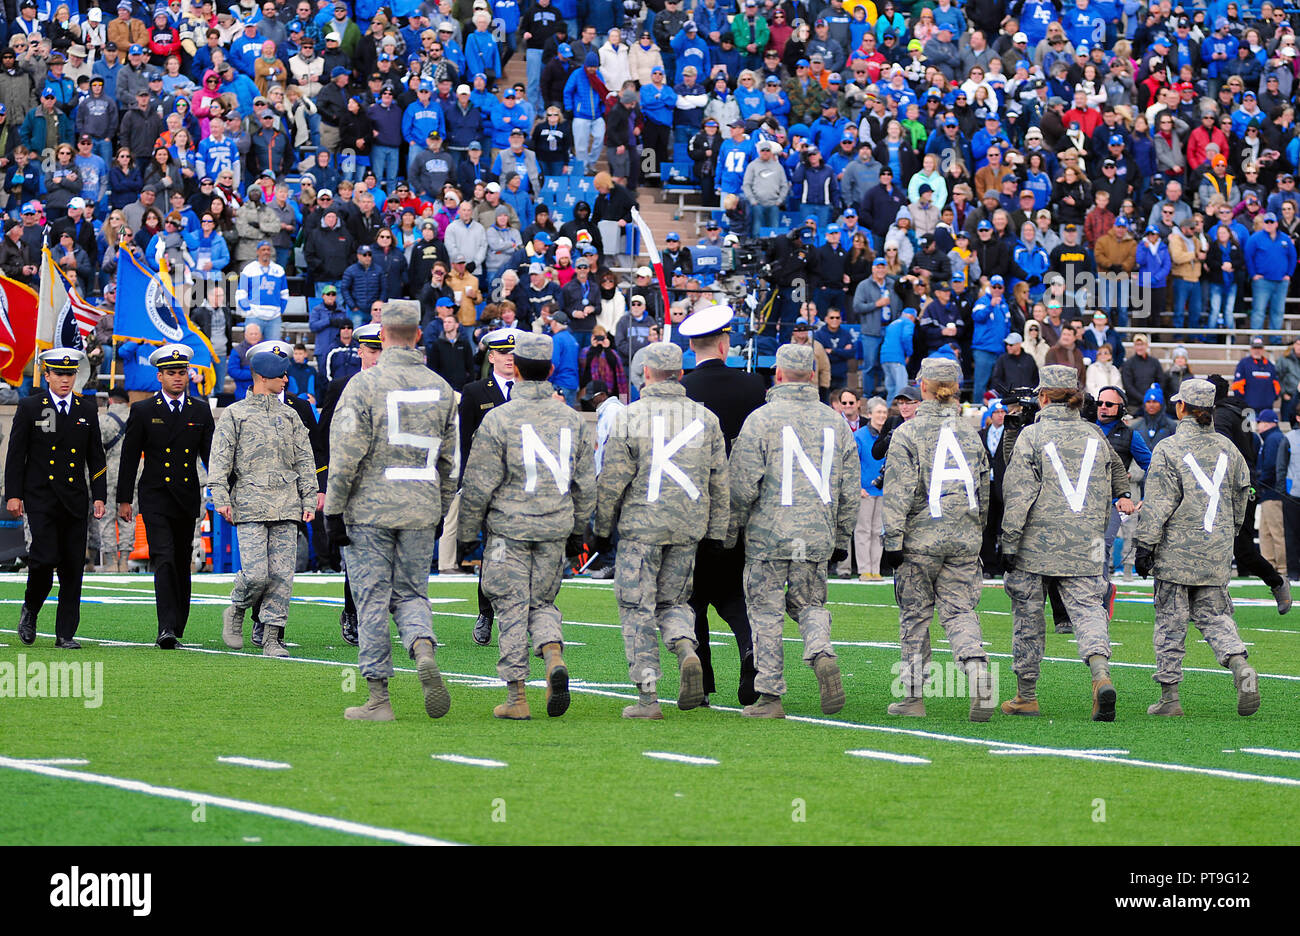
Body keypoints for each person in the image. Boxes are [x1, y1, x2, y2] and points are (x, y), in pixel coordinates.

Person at [325, 300, 457, 722]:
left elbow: (346, 454)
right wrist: (440, 507)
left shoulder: (363, 386)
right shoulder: (441, 387)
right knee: (412, 593)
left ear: (381, 336)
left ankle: (379, 698)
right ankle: (421, 647)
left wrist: (334, 508)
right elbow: (451, 461)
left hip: (370, 508)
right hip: (420, 505)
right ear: (418, 335)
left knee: (371, 600)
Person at [458, 332, 596, 720]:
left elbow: (479, 482)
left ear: (515, 368)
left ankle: (517, 696)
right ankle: (553, 652)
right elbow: (585, 483)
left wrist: (468, 534)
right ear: (551, 370)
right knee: (543, 602)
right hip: (555, 525)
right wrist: (577, 531)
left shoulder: (498, 418)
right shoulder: (571, 418)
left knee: (511, 607)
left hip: (509, 529)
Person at [594, 342, 728, 719]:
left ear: (646, 373)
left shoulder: (629, 417)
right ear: (681, 374)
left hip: (642, 526)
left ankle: (648, 697)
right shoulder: (707, 418)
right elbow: (721, 482)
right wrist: (718, 532)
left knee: (637, 610)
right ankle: (686, 647)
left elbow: (613, 481)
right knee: (674, 603)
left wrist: (601, 529)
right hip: (688, 527)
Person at [728, 342, 859, 718]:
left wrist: (732, 529)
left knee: (766, 613)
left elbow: (742, 485)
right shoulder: (836, 421)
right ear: (815, 376)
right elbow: (850, 488)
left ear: (779, 374)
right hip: (815, 533)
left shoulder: (761, 419)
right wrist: (840, 536)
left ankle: (770, 696)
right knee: (810, 604)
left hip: (768, 535)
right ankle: (821, 651)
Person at [999, 365, 1135, 720]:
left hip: (1037, 542)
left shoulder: (1032, 435)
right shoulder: (1094, 433)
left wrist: (1009, 542)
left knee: (1028, 618)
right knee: (1089, 610)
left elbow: (1017, 493)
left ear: (1043, 396)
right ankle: (1100, 674)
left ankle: (1026, 695)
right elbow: (1118, 470)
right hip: (1086, 540)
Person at [1133, 378, 1260, 718]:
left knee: (1170, 625)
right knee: (1216, 618)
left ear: (1181, 407)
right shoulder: (1229, 449)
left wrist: (1144, 545)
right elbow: (1242, 496)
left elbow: (1158, 502)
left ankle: (1170, 698)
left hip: (1176, 552)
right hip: (1216, 549)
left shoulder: (1169, 448)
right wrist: (1227, 534)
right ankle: (1239, 665)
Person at [881, 357, 996, 720]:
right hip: (963, 536)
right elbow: (984, 489)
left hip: (920, 539)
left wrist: (892, 542)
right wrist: (977, 529)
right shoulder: (970, 432)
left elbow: (899, 491)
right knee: (960, 611)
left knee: (915, 616)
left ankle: (912, 697)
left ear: (924, 387)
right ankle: (976, 669)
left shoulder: (908, 432)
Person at [678, 304, 767, 705]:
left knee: (692, 599)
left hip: (691, 508)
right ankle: (751, 654)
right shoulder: (752, 387)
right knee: (735, 595)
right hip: (739, 509)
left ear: (692, 346)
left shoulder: (681, 391)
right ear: (725, 342)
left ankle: (700, 680)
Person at [213, 350, 318, 658]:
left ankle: (272, 637)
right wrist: (220, 497)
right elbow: (220, 461)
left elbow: (305, 460)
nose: (286, 380)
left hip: (287, 504)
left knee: (283, 575)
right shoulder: (235, 414)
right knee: (257, 573)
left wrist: (309, 497)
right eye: (280, 375)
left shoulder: (291, 416)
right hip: (250, 503)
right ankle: (237, 607)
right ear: (261, 378)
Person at [115, 344, 215, 649]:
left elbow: (211, 456)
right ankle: (166, 627)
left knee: (182, 559)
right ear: (159, 376)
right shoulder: (144, 410)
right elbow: (130, 457)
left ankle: (177, 623)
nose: (177, 378)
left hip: (185, 495)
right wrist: (124, 499)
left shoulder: (199, 410)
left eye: (182, 372)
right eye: (171, 373)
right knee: (164, 558)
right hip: (156, 494)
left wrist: (224, 492)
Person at [6, 349, 107, 650]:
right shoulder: (30, 406)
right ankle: (31, 609)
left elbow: (95, 456)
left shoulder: (86, 408)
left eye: (70, 374)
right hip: (41, 498)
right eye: (59, 374)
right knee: (43, 559)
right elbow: (16, 454)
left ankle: (65, 632)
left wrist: (99, 496)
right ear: (46, 375)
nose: (65, 379)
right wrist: (14, 494)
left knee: (73, 567)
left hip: (75, 498)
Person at [316, 322, 384, 645]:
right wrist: (324, 483)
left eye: (382, 349)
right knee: (356, 552)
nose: (378, 356)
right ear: (360, 351)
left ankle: (376, 616)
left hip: (387, 483)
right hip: (353, 482)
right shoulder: (341, 386)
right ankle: (352, 612)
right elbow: (325, 437)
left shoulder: (398, 388)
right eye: (373, 350)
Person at [458, 327, 520, 647]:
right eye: (503, 352)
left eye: (514, 352)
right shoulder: (475, 391)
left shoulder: (528, 391)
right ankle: (486, 612)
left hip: (524, 486)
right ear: (491, 356)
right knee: (494, 552)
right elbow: (463, 440)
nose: (510, 357)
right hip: (491, 486)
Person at [95, 386, 132, 571]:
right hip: (133, 474)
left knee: (106, 517)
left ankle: (111, 561)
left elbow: (95, 452)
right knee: (128, 516)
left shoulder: (103, 421)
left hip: (108, 473)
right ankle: (125, 560)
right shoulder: (136, 418)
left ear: (110, 401)